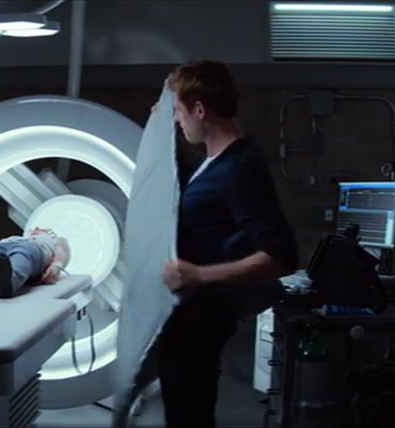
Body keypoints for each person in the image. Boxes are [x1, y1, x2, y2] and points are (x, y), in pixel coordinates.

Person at [152, 60, 299, 427]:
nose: (178, 120)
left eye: (179, 111)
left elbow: (281, 256)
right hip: (186, 316)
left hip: (202, 318)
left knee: (189, 417)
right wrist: (159, 133)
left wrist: (198, 275)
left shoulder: (240, 168)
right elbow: (197, 194)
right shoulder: (215, 161)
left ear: (200, 109)